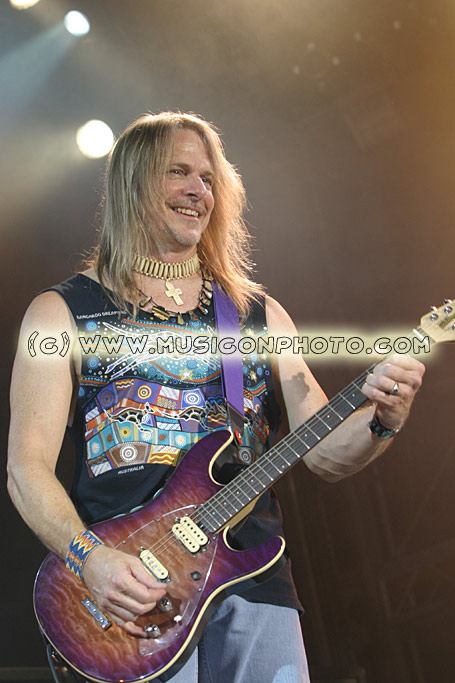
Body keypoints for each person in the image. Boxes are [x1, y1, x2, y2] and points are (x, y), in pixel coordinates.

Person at [7, 112, 424, 682]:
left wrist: (383, 420)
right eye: (178, 172)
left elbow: (326, 453)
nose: (197, 190)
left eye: (208, 178)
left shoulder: (256, 315)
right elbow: (26, 469)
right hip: (129, 594)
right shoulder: (61, 313)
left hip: (252, 579)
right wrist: (91, 560)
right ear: (133, 183)